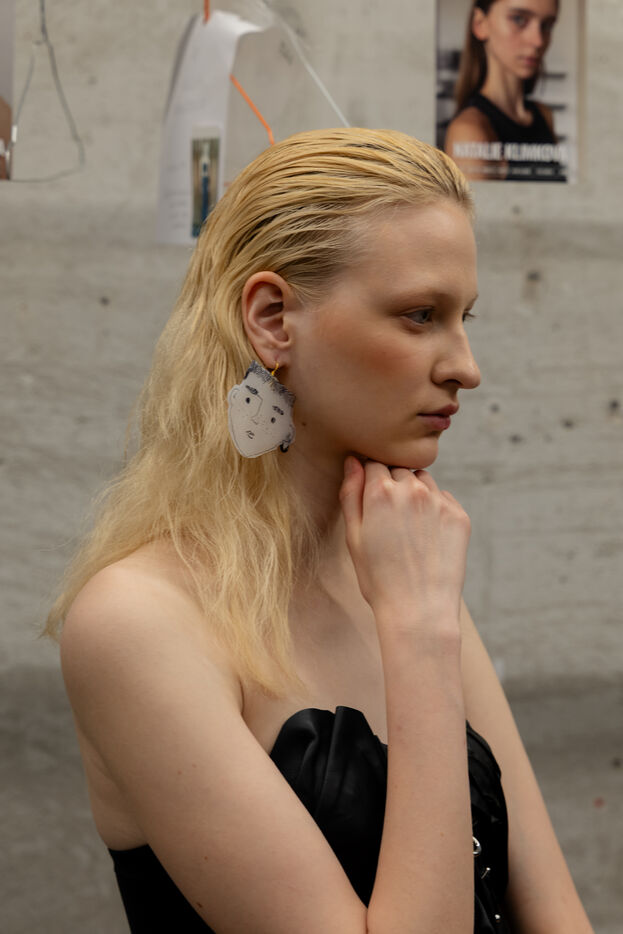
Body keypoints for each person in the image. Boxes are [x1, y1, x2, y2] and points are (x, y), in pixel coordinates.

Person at [48, 128, 593, 932]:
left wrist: (420, 617)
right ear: (273, 319)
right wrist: (418, 635)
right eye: (419, 315)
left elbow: (557, 918)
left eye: (462, 317)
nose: (465, 367)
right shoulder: (139, 623)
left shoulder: (404, 578)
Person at [444, 0, 565, 181]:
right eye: (518, 19)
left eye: (547, 25)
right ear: (480, 24)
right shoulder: (469, 131)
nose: (538, 41)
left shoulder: (544, 114)